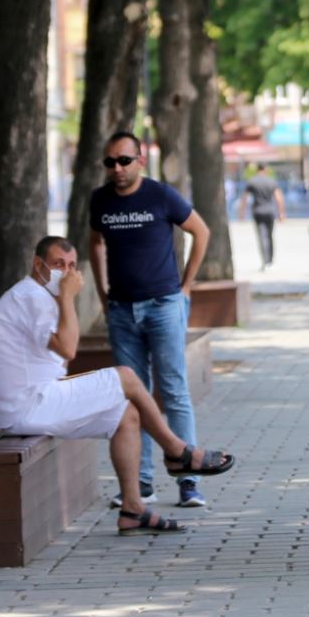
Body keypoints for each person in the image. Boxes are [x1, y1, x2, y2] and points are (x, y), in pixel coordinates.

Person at [0, 236, 235, 535]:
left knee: (126, 416)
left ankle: (132, 510)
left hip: (28, 404)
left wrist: (62, 299)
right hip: (31, 404)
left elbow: (52, 346)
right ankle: (177, 451)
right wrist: (67, 297)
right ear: (38, 265)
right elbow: (68, 348)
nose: (67, 272)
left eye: (72, 265)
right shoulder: (31, 297)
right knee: (126, 376)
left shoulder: (31, 297)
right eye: (58, 264)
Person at [89, 131, 213, 508]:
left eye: (124, 160)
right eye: (110, 162)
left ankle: (188, 480)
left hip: (163, 305)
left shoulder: (160, 195)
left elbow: (200, 231)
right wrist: (102, 290)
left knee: (173, 391)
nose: (117, 169)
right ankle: (141, 483)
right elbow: (94, 242)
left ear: (140, 160)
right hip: (122, 311)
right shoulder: (100, 200)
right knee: (131, 397)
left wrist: (186, 287)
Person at [239, 165, 286, 270]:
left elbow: (244, 198)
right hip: (270, 211)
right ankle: (270, 260)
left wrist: (242, 213)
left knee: (262, 237)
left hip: (258, 211)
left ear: (257, 170)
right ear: (265, 170)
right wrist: (281, 213)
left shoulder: (252, 181)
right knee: (270, 236)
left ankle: (265, 261)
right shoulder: (271, 181)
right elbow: (278, 198)